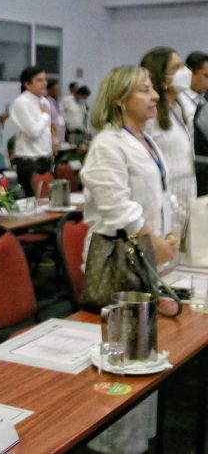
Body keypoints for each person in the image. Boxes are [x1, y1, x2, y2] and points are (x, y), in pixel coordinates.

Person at [81, 65, 176, 454]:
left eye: (153, 88)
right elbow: (117, 207)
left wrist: (166, 240)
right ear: (120, 99)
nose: (154, 96)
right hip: (121, 260)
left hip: (146, 259)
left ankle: (135, 440)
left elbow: (157, 196)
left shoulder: (144, 139)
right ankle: (114, 444)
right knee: (123, 357)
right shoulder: (107, 143)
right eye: (143, 90)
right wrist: (156, 242)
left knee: (142, 356)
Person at [141, 47, 197, 244]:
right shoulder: (150, 116)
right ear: (163, 80)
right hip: (166, 198)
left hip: (186, 193)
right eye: (178, 67)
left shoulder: (178, 107)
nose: (186, 71)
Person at [11, 65, 53, 196]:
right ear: (27, 84)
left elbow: (46, 132)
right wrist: (45, 115)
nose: (44, 83)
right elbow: (33, 132)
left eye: (45, 79)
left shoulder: (45, 102)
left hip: (46, 161)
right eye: (39, 80)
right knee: (33, 207)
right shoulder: (22, 102)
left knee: (49, 203)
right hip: (30, 164)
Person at [182, 51, 208, 196]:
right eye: (206, 76)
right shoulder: (179, 104)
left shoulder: (204, 100)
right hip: (191, 172)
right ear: (189, 73)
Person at [46, 79, 66, 149]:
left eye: (59, 89)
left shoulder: (59, 104)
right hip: (50, 141)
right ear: (49, 90)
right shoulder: (46, 103)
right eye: (56, 89)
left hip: (60, 139)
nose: (59, 91)